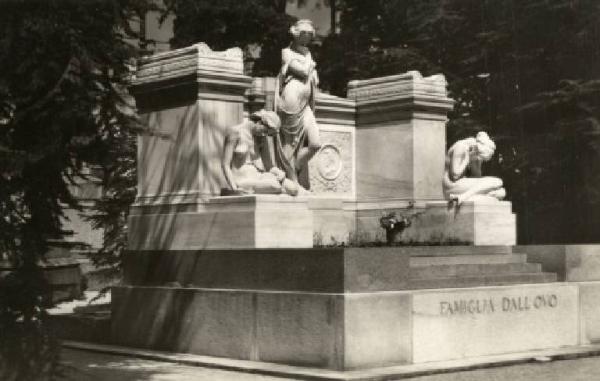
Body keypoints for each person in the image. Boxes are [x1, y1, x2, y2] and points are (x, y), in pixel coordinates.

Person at [274, 19, 321, 188]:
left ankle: (294, 168)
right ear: (295, 34)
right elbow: (302, 71)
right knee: (290, 143)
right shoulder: (286, 52)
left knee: (315, 143)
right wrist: (310, 61)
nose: (307, 38)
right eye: (304, 34)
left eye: (309, 35)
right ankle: (291, 181)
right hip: (291, 100)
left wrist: (310, 61)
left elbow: (313, 77)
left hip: (305, 104)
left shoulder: (307, 53)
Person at [221, 110, 298, 196]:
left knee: (293, 188)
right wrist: (234, 189)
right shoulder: (235, 132)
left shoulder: (261, 137)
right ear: (260, 122)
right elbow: (225, 165)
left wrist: (279, 173)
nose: (264, 135)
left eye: (267, 134)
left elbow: (269, 167)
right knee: (275, 185)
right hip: (242, 179)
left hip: (259, 177)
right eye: (265, 131)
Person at [443, 131, 506, 205]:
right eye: (480, 157)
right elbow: (455, 176)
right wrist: (467, 159)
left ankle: (465, 197)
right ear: (477, 149)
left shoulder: (473, 151)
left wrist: (476, 162)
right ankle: (464, 196)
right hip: (451, 186)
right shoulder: (460, 147)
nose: (480, 159)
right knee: (498, 181)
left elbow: (477, 176)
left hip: (462, 184)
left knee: (501, 192)